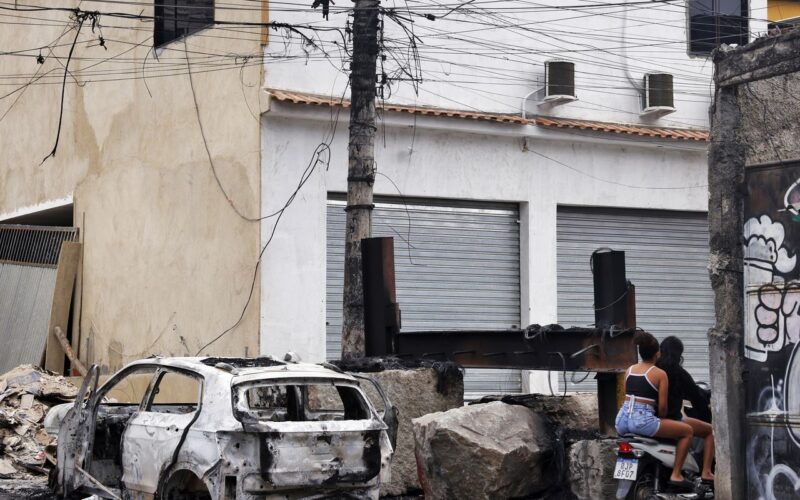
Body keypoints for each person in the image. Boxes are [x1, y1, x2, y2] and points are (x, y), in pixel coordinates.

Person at [615, 331, 695, 489]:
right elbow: (663, 407)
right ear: (657, 353)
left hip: (622, 421)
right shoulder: (659, 374)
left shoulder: (629, 370)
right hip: (642, 421)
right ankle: (676, 474)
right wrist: (662, 417)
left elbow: (628, 396)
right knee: (688, 431)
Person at [657, 336, 715, 484]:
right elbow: (696, 396)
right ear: (679, 354)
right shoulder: (678, 373)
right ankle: (706, 472)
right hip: (671, 419)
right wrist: (705, 414)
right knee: (710, 431)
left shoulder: (652, 369)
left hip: (651, 419)